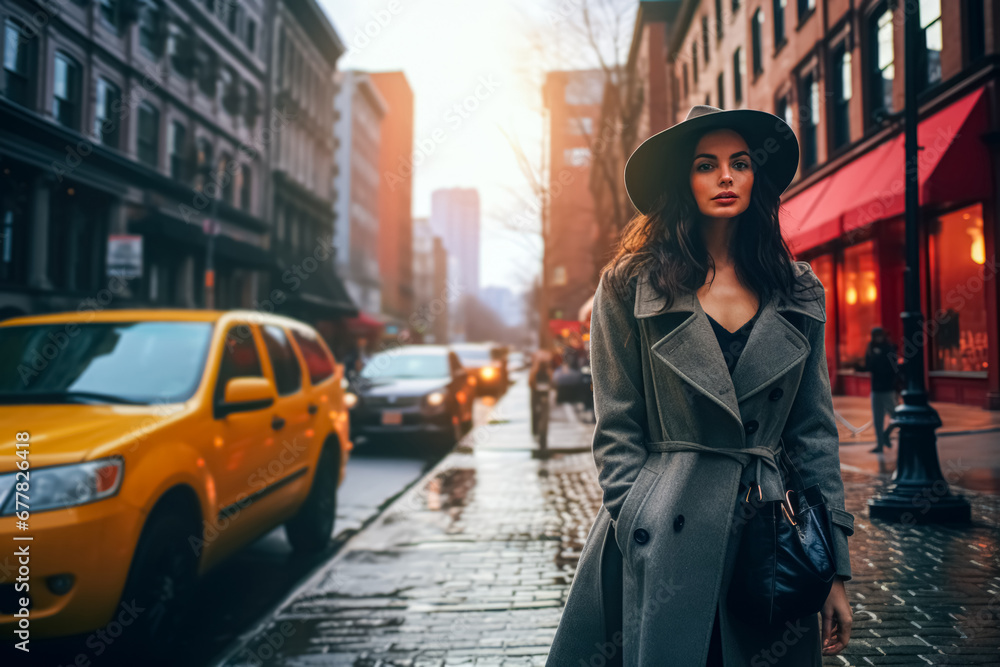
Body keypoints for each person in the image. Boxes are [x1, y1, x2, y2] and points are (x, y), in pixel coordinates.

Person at [544, 105, 854, 666]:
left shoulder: (797, 288)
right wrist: (639, 518)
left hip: (770, 538)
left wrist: (832, 565)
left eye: (739, 162)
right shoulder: (629, 285)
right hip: (664, 535)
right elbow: (617, 427)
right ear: (683, 181)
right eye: (706, 165)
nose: (726, 177)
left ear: (757, 176)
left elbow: (813, 432)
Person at [864, 326, 899, 453]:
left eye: (879, 335)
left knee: (897, 416)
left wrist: (894, 384)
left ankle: (886, 434)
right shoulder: (871, 349)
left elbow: (894, 368)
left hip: (887, 388)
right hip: (876, 388)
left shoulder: (888, 348)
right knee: (877, 418)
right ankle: (879, 444)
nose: (878, 338)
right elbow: (868, 366)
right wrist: (870, 352)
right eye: (875, 336)